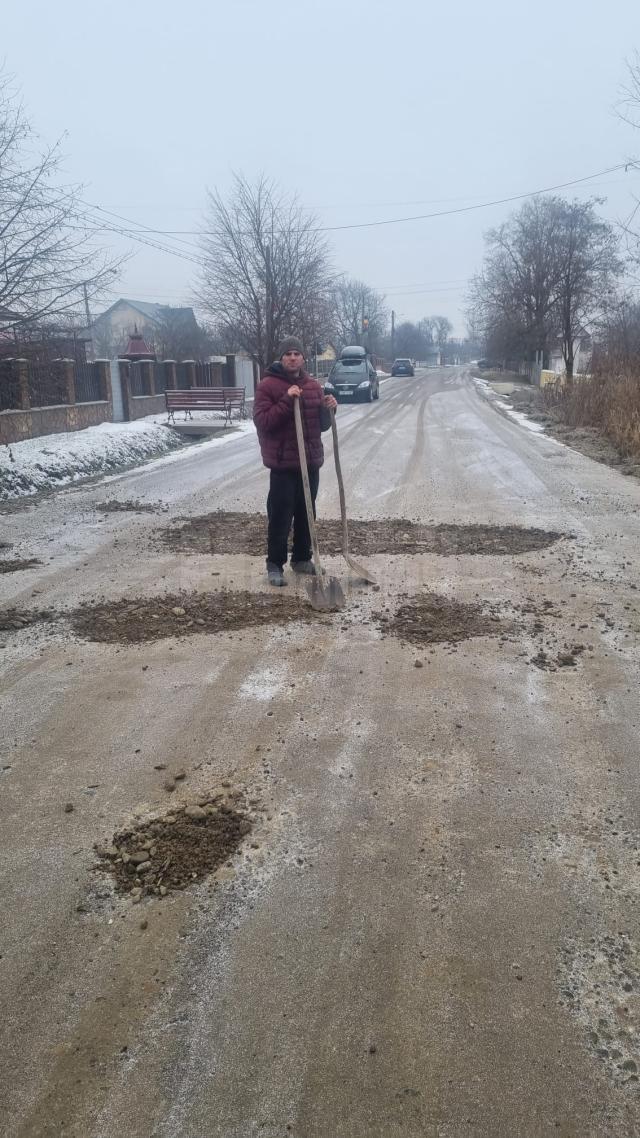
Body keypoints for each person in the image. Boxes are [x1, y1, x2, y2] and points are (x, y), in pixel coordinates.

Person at [253, 337, 338, 586]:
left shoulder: (312, 386)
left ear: (303, 358)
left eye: (296, 354)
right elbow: (264, 422)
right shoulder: (267, 386)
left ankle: (302, 558)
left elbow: (321, 425)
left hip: (309, 462)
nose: (292, 357)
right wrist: (287, 400)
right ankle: (274, 564)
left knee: (307, 513)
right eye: (288, 354)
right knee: (281, 515)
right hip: (283, 465)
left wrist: (329, 408)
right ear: (281, 358)